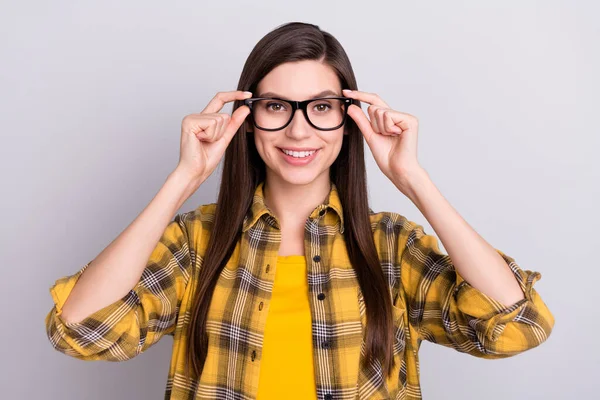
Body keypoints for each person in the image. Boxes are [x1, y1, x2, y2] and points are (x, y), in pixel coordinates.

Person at [45, 22, 555, 400]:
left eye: (321, 107)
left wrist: (412, 181)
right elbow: (83, 331)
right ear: (246, 120)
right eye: (276, 106)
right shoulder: (198, 241)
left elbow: (518, 324)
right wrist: (184, 180)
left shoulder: (390, 246)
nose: (299, 130)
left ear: (347, 120)